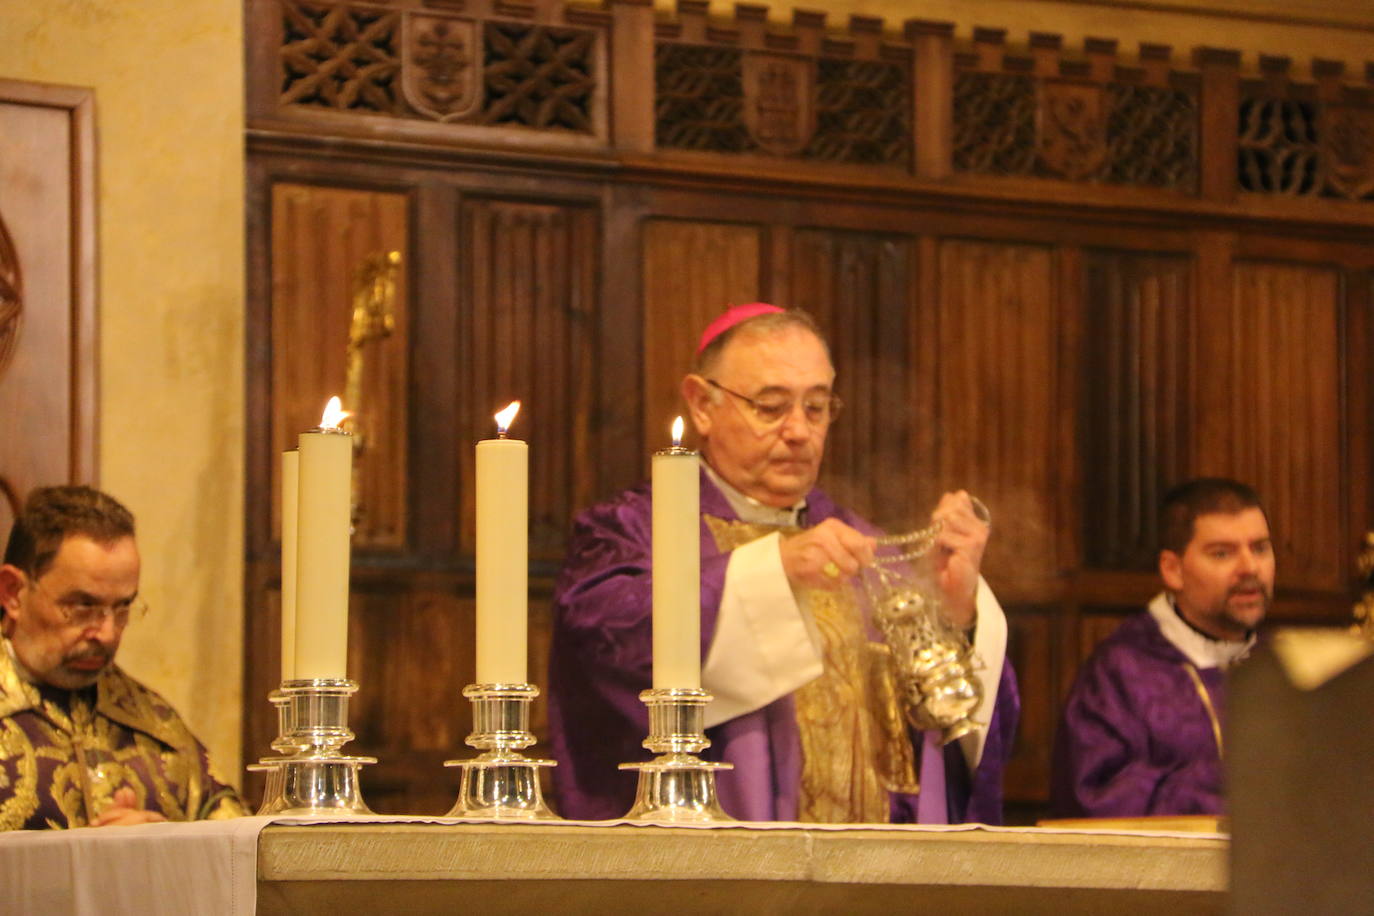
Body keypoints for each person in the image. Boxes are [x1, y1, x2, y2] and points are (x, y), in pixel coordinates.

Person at [549, 304, 1019, 823]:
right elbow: (608, 646)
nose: (799, 431)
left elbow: (958, 736)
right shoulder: (630, 532)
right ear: (702, 404)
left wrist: (957, 615)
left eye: (816, 408)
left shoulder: (868, 546)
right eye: (771, 407)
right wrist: (771, 571)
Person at [0, 485, 245, 829]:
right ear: (13, 592)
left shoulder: (154, 725)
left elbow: (232, 852)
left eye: (122, 607)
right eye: (83, 606)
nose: (107, 634)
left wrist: (163, 849)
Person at [1051, 478, 1273, 818]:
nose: (1250, 568)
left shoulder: (1286, 666)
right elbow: (1092, 803)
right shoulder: (1119, 674)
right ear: (1173, 570)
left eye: (1259, 548)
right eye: (1222, 553)